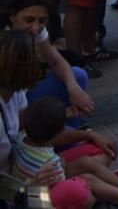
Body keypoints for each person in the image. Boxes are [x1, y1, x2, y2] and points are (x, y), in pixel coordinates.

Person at [0, 30, 91, 209]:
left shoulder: (16, 93)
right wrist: (32, 186)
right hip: (12, 192)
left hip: (23, 176)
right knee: (77, 192)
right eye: (37, 58)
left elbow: (31, 133)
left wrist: (88, 136)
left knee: (96, 154)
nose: (42, 63)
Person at [15, 96, 118, 207]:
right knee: (88, 179)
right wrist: (63, 162)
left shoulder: (22, 137)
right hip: (43, 193)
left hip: (31, 184)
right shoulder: (49, 160)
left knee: (86, 163)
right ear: (58, 132)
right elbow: (60, 180)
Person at [2, 0, 93, 128]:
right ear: (12, 15)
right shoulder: (4, 39)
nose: (36, 27)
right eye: (29, 20)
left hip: (22, 92)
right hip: (9, 101)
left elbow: (56, 61)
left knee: (77, 76)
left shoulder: (37, 30)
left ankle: (67, 132)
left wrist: (74, 90)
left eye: (42, 21)